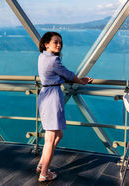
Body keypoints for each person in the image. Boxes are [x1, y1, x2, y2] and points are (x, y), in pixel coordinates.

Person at [36, 31, 92, 182]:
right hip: (52, 98)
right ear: (46, 44)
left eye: (60, 42)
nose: (59, 45)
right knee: (50, 139)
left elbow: (58, 73)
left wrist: (61, 76)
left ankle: (42, 164)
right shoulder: (53, 60)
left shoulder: (42, 57)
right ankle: (44, 174)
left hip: (45, 95)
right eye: (56, 42)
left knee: (58, 135)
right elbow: (67, 74)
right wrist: (81, 81)